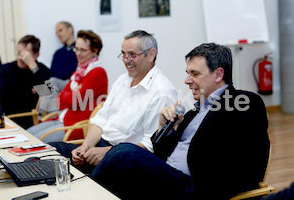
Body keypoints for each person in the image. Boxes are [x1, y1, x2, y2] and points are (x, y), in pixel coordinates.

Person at [88, 43, 270, 200]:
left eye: (195, 74)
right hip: (169, 178)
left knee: (124, 152)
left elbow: (245, 159)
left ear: (218, 74)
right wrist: (164, 129)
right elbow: (160, 153)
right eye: (187, 73)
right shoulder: (193, 112)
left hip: (196, 189)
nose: (187, 80)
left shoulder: (244, 103)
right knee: (72, 153)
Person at [49, 30, 178, 174]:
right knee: (50, 150)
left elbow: (150, 146)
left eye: (132, 55)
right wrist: (85, 147)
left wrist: (106, 153)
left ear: (151, 55)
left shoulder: (161, 92)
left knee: (81, 180)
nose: (126, 59)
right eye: (123, 54)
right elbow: (100, 120)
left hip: (123, 158)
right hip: (96, 143)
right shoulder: (123, 80)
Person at [27, 30, 108, 143]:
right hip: (63, 118)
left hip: (76, 125)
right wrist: (72, 93)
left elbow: (73, 101)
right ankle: (42, 111)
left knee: (34, 141)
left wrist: (70, 95)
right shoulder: (79, 71)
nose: (78, 53)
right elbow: (60, 100)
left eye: (82, 50)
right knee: (26, 135)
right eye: (76, 49)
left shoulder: (98, 72)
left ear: (94, 50)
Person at [0, 35, 51, 129]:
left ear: (36, 55)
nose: (20, 57)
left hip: (33, 120)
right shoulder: (6, 69)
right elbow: (6, 98)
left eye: (26, 55)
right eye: (19, 53)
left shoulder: (41, 70)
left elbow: (48, 93)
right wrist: (31, 92)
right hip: (10, 118)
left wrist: (32, 66)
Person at [39, 21, 78, 113]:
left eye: (60, 30)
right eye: (57, 33)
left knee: (51, 82)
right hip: (58, 82)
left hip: (72, 82)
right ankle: (45, 113)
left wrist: (57, 76)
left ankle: (43, 114)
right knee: (44, 86)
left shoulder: (79, 50)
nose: (58, 34)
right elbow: (51, 73)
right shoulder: (58, 53)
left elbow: (74, 71)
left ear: (70, 29)